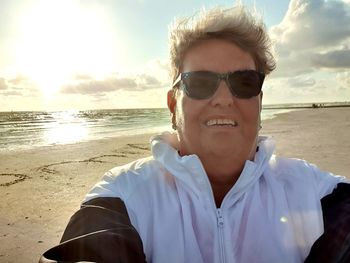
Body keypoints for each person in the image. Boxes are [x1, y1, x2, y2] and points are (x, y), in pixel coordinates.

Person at [40, 4, 350, 263]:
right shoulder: (123, 197)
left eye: (244, 82)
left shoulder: (312, 191)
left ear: (259, 102)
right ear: (173, 103)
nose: (224, 98)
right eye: (200, 82)